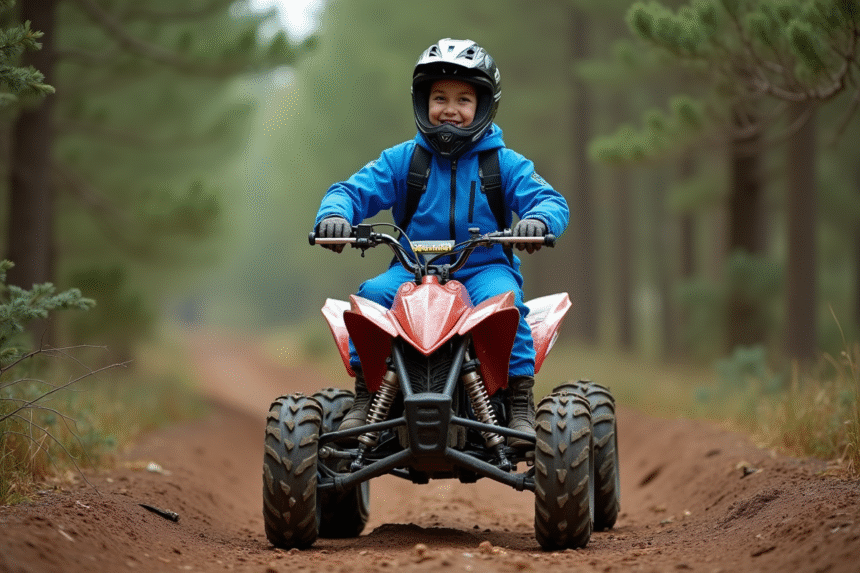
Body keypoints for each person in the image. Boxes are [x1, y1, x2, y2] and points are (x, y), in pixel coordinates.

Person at [314, 38, 569, 447]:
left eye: (464, 99)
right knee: (371, 296)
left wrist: (538, 220)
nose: (450, 109)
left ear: (485, 106)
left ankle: (520, 402)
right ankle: (366, 395)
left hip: (483, 268)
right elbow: (351, 190)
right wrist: (334, 215)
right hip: (411, 269)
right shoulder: (403, 160)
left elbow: (549, 200)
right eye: (439, 97)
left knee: (506, 303)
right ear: (422, 101)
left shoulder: (502, 164)